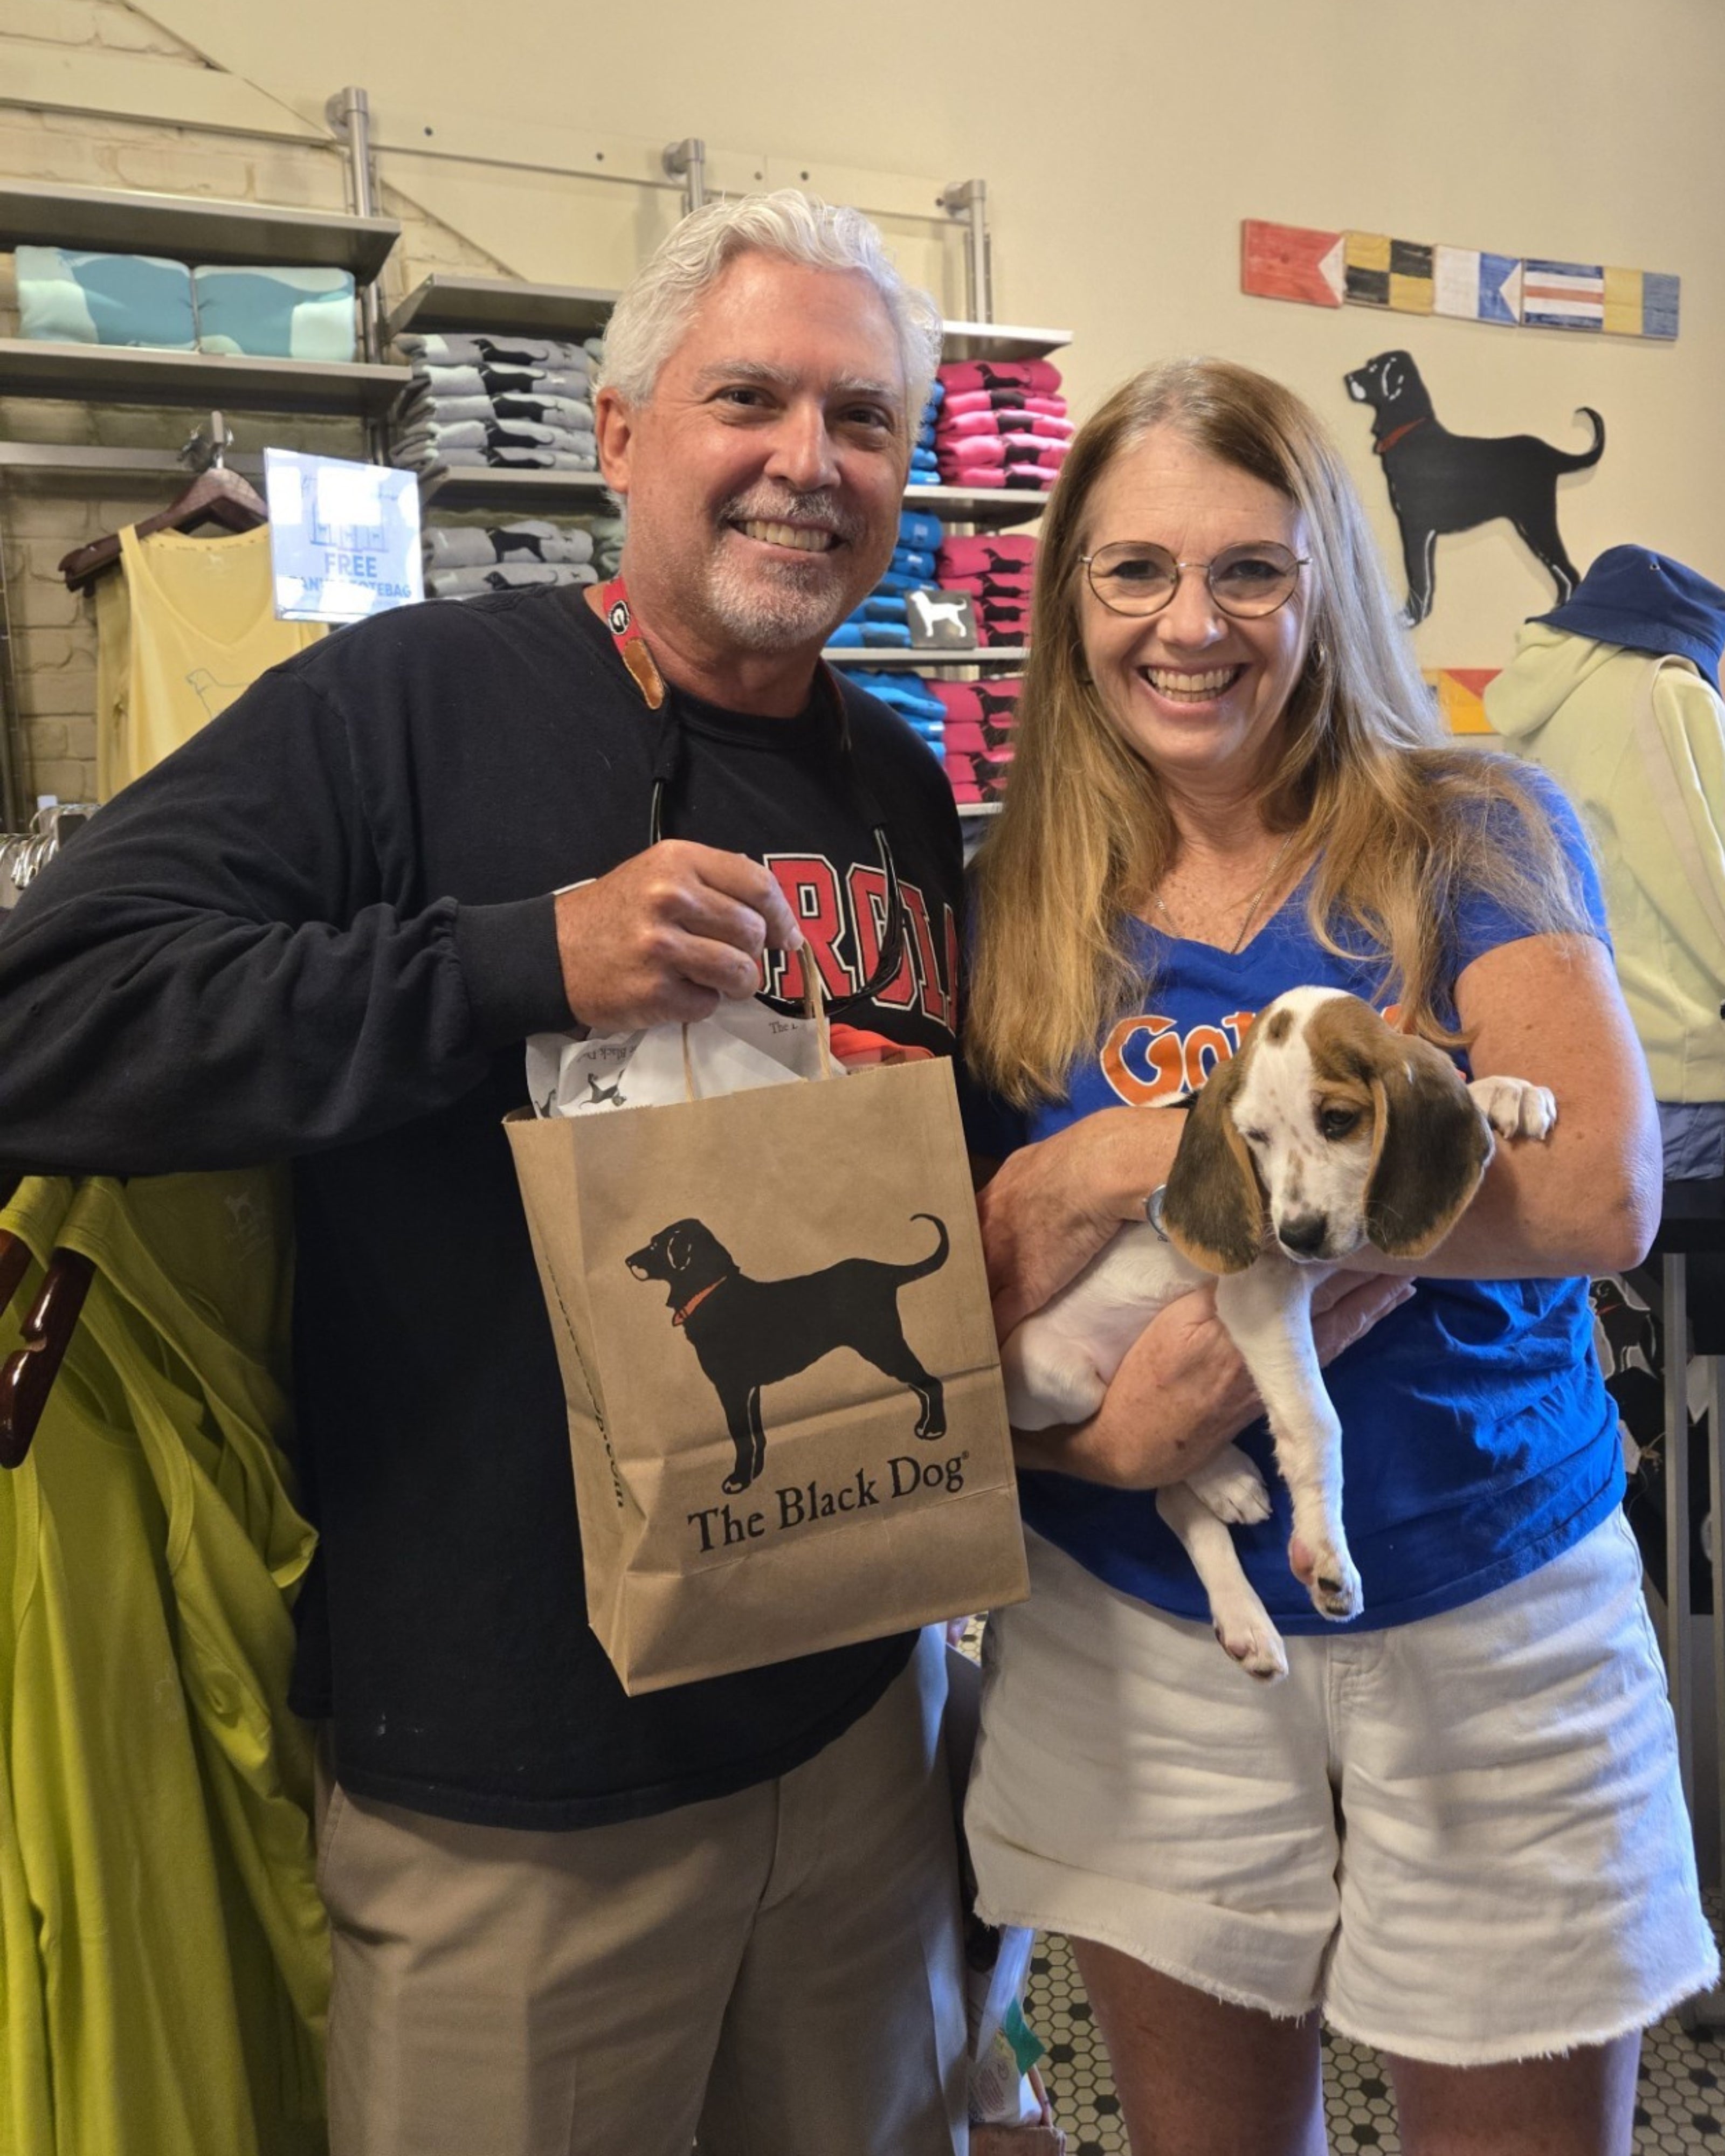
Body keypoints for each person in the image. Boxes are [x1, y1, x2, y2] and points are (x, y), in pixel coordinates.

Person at [0, 192, 974, 2156]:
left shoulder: (897, 780)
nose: (807, 460)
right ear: (618, 433)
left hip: (861, 1727)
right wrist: (513, 960)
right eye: (748, 399)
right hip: (515, 1794)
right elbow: (47, 1017)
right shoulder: (408, 706)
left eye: (862, 419)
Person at [959, 356, 1717, 2156]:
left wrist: (1152, 1158)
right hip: (1144, 1627)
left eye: (1250, 570)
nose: (1190, 625)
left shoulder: (1467, 825)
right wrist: (1103, 1446)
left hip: (1490, 1600)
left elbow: (1596, 1194)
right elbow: (974, 1285)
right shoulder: (1016, 900)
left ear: (1328, 587)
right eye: (1136, 570)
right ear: (1071, 600)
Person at [1486, 544, 1725, 1186]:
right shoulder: (1665, 689)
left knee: (1630, 1232)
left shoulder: (1540, 700)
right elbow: (1698, 873)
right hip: (1689, 1051)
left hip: (1591, 1039)